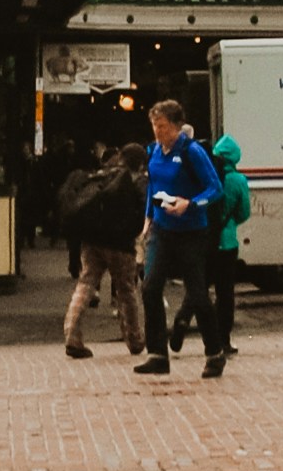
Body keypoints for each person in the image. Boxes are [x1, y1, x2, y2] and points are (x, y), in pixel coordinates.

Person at [135, 100, 225, 382]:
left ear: (175, 126)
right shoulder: (154, 152)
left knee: (197, 294)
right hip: (163, 229)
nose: (157, 131)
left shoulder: (191, 151)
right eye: (154, 126)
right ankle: (157, 354)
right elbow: (153, 187)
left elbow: (215, 188)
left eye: (161, 126)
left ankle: (214, 352)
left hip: (191, 232)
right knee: (150, 288)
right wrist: (148, 218)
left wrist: (191, 203)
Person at [60, 145, 147, 359]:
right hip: (121, 245)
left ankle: (72, 334)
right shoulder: (137, 180)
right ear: (141, 163)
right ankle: (134, 339)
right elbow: (145, 209)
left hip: (92, 241)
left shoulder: (102, 175)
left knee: (85, 284)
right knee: (126, 290)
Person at [206, 130, 252, 359]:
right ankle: (223, 340)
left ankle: (183, 319)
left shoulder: (204, 174)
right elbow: (244, 212)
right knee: (225, 294)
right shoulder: (237, 180)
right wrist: (229, 222)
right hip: (226, 242)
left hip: (204, 241)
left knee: (199, 288)